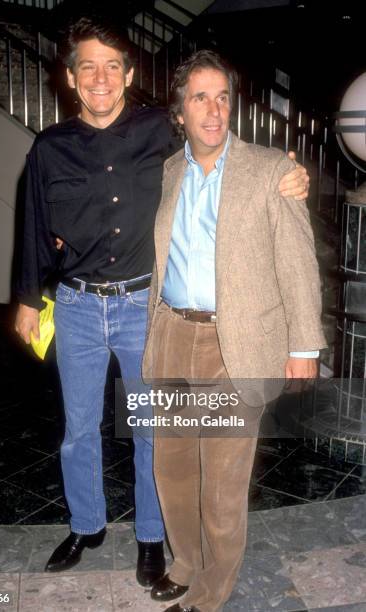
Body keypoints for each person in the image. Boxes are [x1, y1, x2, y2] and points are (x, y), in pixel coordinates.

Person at [14, 16, 311, 586]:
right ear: (71, 78)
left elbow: (219, 147)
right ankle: (87, 523)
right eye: (87, 67)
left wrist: (288, 172)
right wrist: (29, 299)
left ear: (127, 75)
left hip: (141, 307)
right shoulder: (48, 149)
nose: (100, 77)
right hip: (74, 306)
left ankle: (153, 537)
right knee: (78, 429)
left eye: (112, 66)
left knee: (151, 428)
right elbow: (32, 226)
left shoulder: (161, 131)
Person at [141, 50, 326, 612]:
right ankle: (185, 563)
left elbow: (298, 262)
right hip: (173, 334)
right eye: (200, 97)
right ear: (180, 111)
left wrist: (302, 347)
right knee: (171, 467)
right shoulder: (170, 170)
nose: (214, 109)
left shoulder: (272, 170)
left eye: (222, 96)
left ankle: (210, 593)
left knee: (221, 481)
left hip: (236, 343)